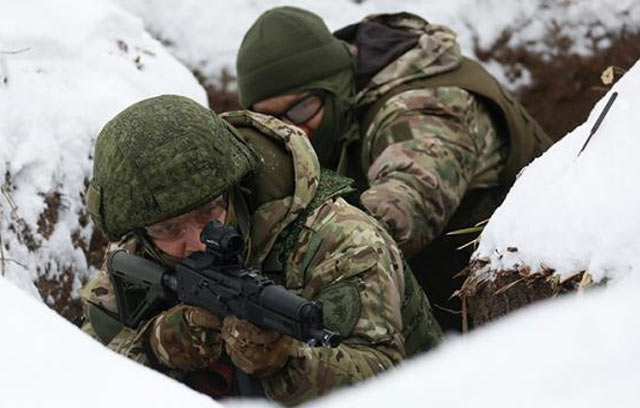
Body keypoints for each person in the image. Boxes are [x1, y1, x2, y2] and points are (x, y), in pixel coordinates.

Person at [79, 95, 442, 406]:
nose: (195, 241)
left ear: (236, 187)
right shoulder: (140, 248)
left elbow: (389, 384)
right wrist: (160, 345)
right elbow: (76, 381)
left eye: (209, 212)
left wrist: (288, 363)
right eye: (168, 228)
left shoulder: (341, 239)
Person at [235, 7, 553, 330]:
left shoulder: (419, 109)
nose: (295, 131)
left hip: (540, 289)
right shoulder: (338, 110)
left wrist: (303, 259)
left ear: (332, 85)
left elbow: (406, 200)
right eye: (273, 121)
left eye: (303, 109)